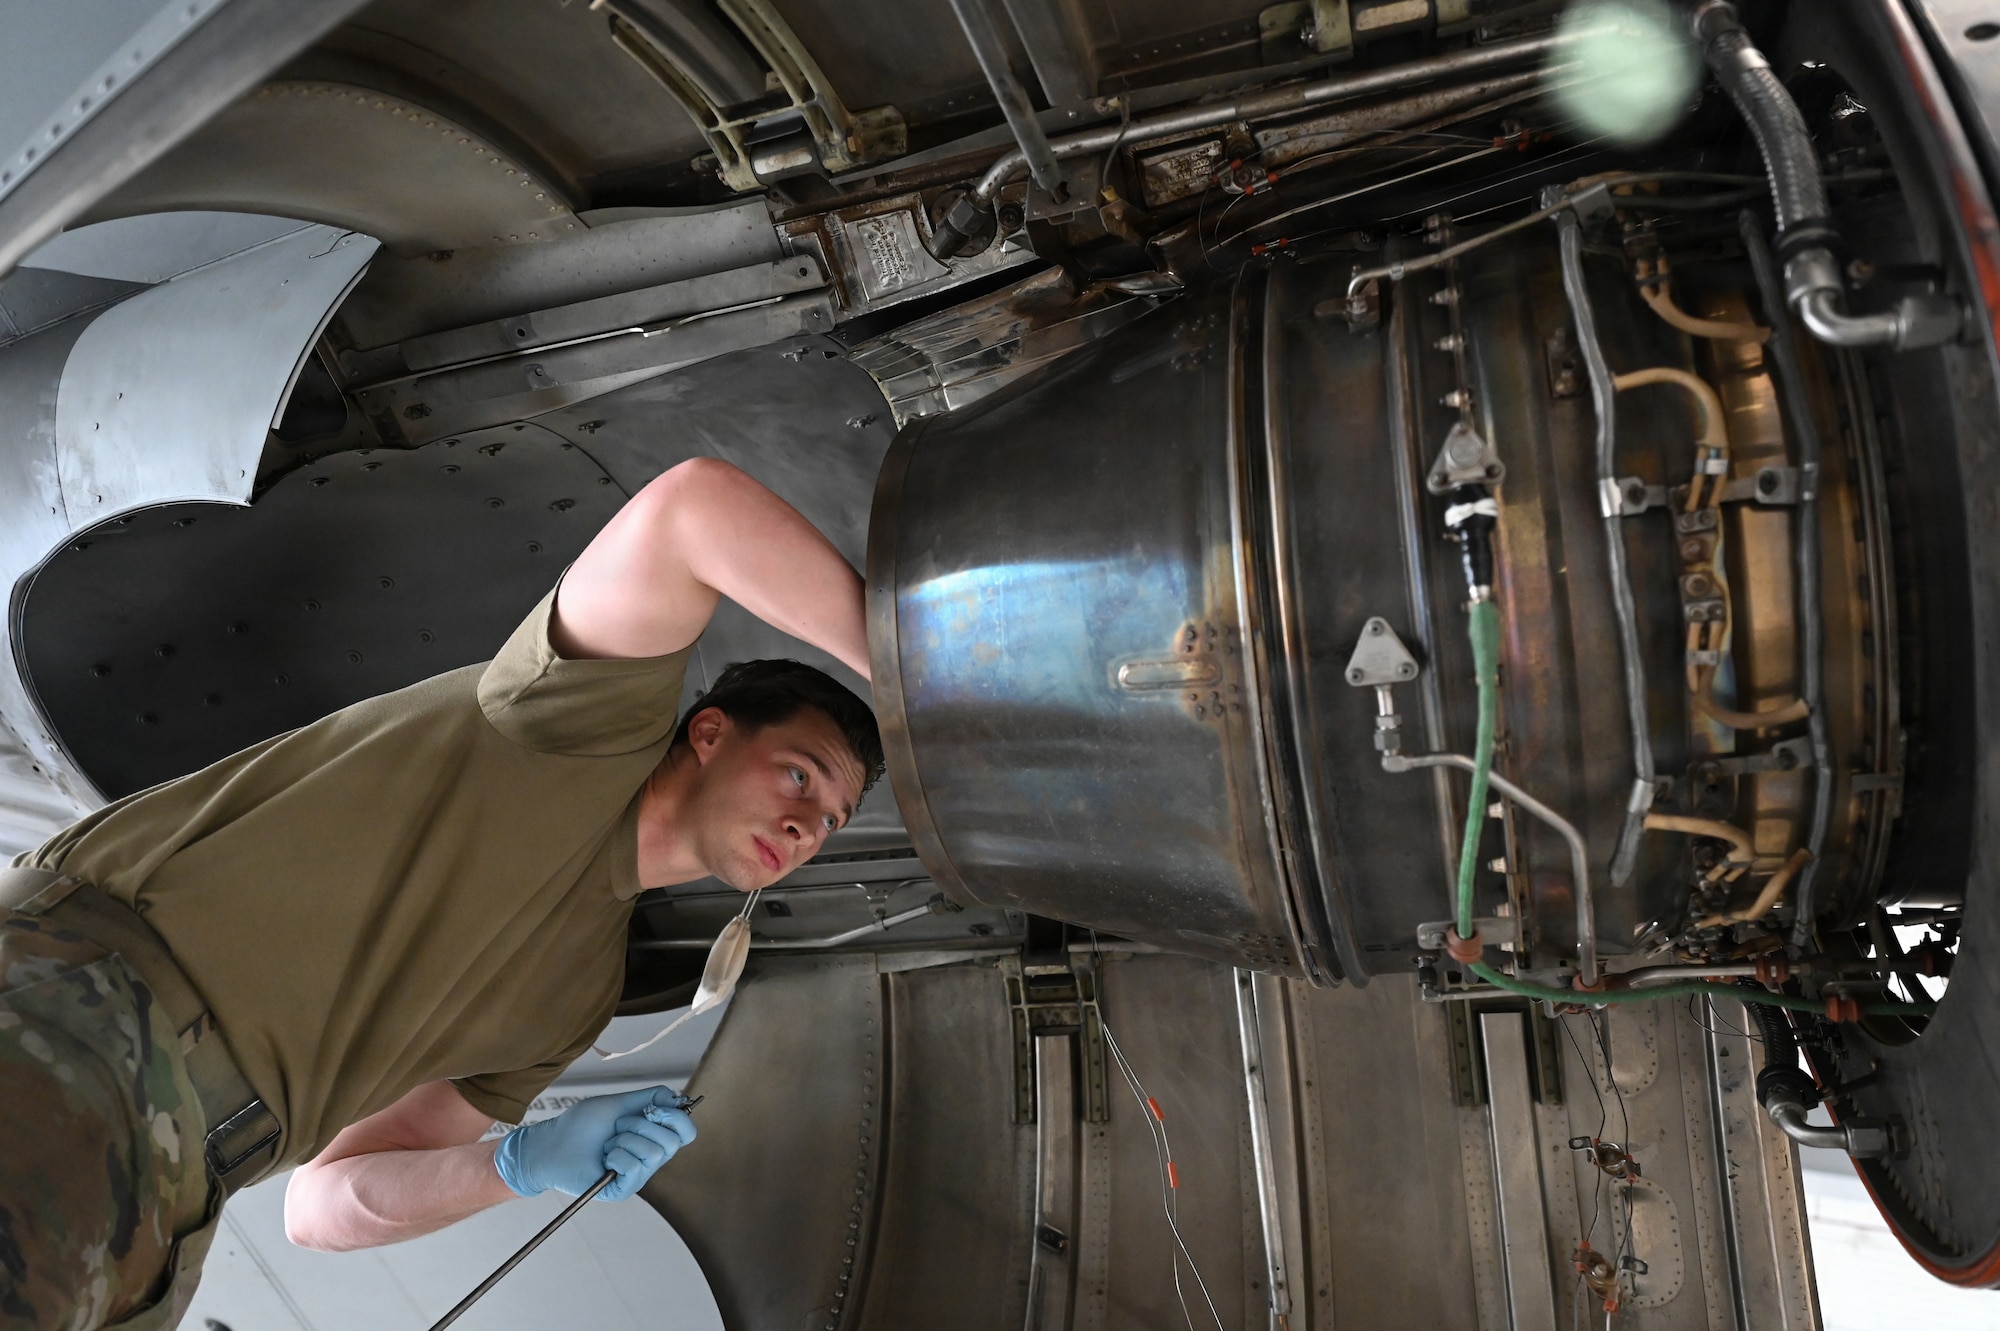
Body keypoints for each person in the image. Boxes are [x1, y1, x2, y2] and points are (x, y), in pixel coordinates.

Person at [0, 457, 880, 1330]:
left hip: (172, 1198)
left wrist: (517, 1165)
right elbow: (694, 509)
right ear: (712, 733)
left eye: (832, 820)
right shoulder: (573, 731)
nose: (807, 824)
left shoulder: (574, 1002)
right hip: (90, 1016)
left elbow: (323, 1205)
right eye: (799, 775)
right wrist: (913, 667)